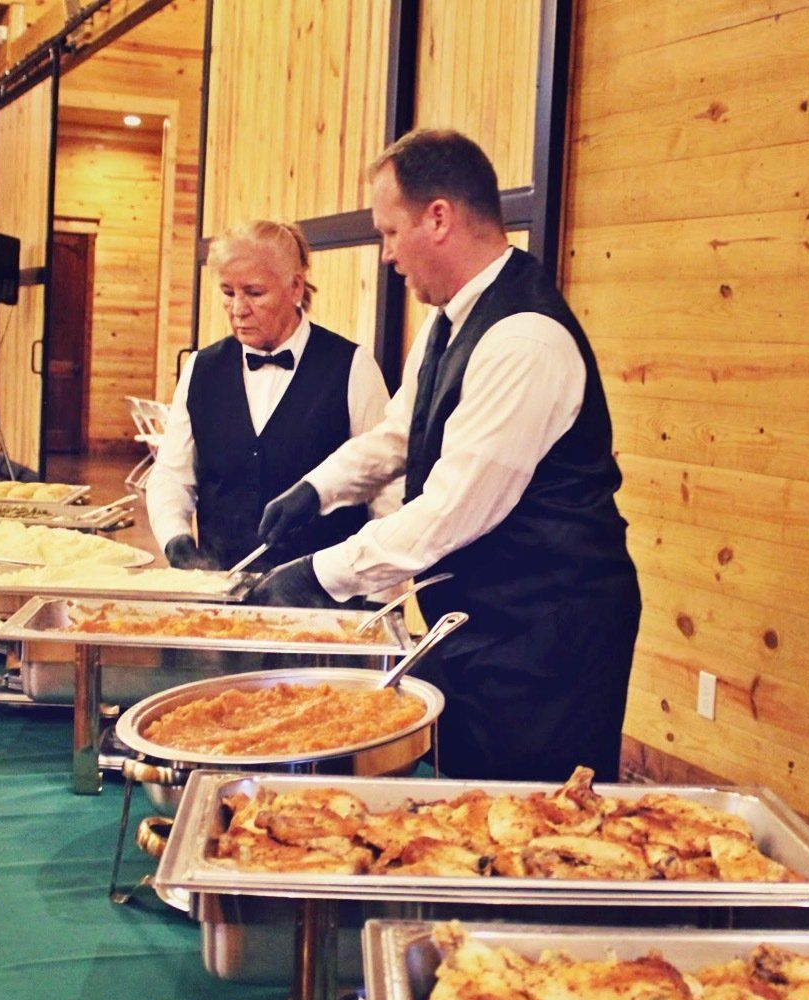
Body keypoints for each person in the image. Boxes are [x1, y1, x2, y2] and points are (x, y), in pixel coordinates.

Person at [253, 129, 642, 783]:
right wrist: (315, 491)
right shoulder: (451, 320)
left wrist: (322, 573)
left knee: (530, 827)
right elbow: (403, 432)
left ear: (438, 218)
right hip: (487, 622)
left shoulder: (524, 338)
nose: (385, 255)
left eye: (388, 232)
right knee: (463, 791)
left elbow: (452, 512)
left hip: (547, 635)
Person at [145, 220, 392, 570]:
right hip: (221, 595)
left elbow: (386, 489)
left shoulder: (352, 367)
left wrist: (377, 592)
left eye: (254, 292)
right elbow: (172, 476)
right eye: (228, 293)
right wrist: (176, 539)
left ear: (295, 287)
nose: (238, 309)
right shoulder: (202, 368)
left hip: (325, 599)